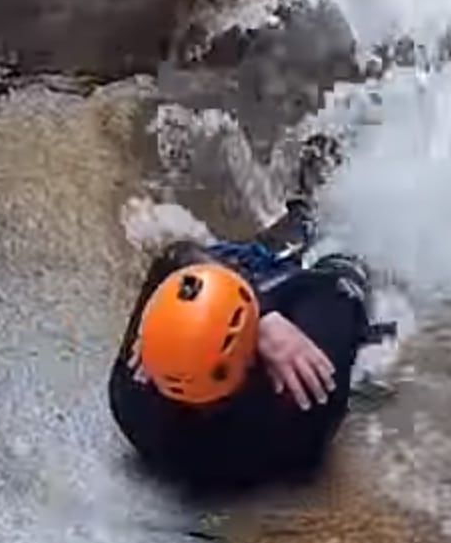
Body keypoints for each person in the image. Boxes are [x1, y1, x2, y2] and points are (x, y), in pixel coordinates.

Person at [107, 200, 391, 494]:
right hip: (305, 297)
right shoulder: (300, 404)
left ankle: (260, 261)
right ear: (252, 360)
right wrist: (269, 319)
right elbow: (334, 291)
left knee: (242, 261)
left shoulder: (132, 397)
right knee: (337, 251)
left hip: (245, 316)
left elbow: (175, 257)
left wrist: (260, 316)